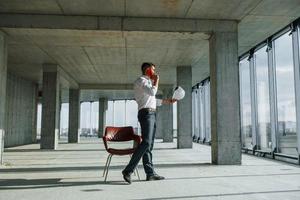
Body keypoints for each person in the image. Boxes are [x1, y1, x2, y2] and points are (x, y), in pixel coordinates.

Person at [122, 62, 176, 184]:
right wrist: (156, 80)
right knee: (146, 142)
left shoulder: (147, 83)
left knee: (149, 145)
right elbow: (152, 93)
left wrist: (168, 101)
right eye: (153, 69)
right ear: (147, 70)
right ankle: (128, 170)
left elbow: (152, 100)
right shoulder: (141, 80)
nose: (155, 72)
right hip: (146, 114)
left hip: (150, 113)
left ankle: (150, 173)